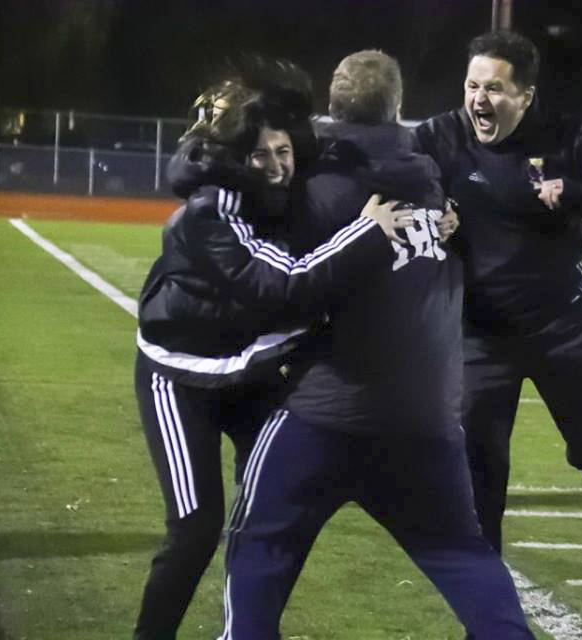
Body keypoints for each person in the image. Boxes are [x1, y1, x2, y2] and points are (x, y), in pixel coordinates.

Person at [220, 50, 532, 639]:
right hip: (429, 422)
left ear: (332, 106)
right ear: (398, 109)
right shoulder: (430, 172)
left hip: (326, 412)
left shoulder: (312, 181)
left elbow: (271, 284)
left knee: (258, 542)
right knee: (464, 554)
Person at [132, 63, 410, 640]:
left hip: (249, 367)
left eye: (284, 150)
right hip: (181, 377)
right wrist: (366, 231)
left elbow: (356, 145)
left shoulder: (289, 167)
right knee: (194, 528)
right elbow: (281, 284)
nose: (280, 165)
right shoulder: (211, 211)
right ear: (236, 158)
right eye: (262, 156)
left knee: (274, 504)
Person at [413, 30, 582, 629]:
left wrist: (578, 194)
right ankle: (490, 611)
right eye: (473, 85)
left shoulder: (570, 140)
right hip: (478, 337)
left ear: (525, 97)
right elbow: (376, 170)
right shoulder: (439, 137)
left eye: (495, 89)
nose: (479, 99)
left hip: (563, 331)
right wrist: (427, 210)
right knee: (479, 473)